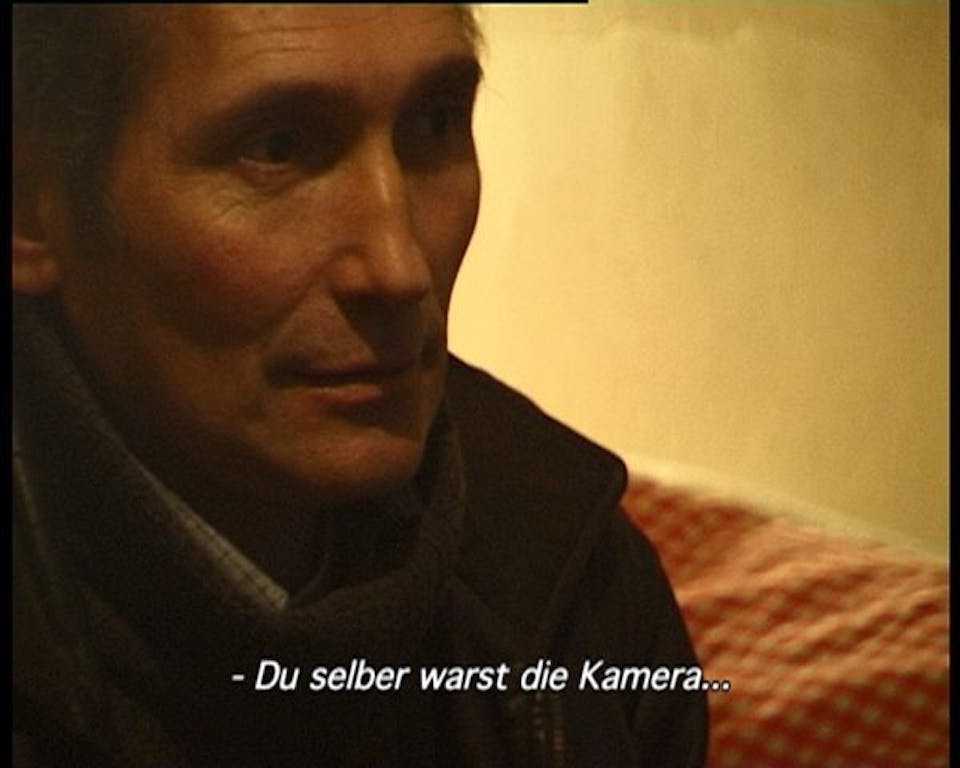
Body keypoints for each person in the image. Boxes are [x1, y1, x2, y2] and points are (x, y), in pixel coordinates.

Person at [12, 5, 708, 766]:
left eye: (434, 124)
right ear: (30, 208)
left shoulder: (574, 581)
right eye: (277, 148)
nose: (398, 266)